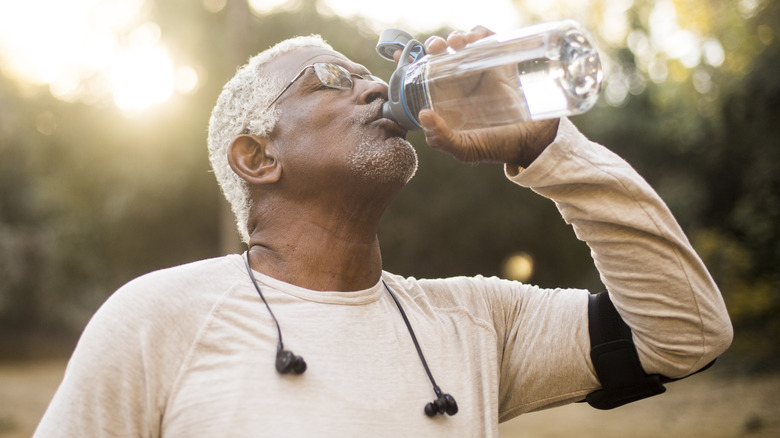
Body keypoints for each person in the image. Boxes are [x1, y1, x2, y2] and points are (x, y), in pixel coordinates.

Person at [35, 26, 732, 437]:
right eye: (330, 79)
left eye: (370, 73)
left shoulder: (477, 320)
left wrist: (547, 149)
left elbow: (688, 332)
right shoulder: (157, 319)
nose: (373, 88)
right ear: (258, 156)